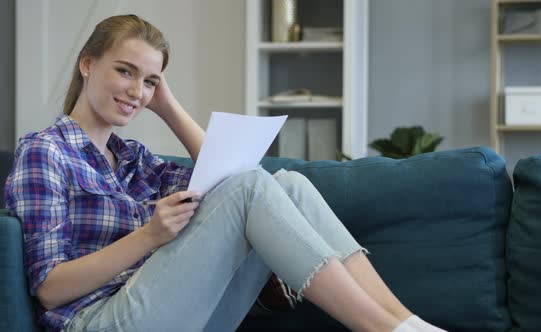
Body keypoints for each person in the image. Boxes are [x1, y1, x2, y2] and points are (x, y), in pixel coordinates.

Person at [4, 14, 447, 332]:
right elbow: (49, 289)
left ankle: (405, 322)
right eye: (125, 71)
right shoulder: (46, 152)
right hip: (98, 321)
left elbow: (232, 175)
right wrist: (149, 237)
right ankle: (380, 329)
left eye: (150, 81)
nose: (136, 92)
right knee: (255, 187)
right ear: (87, 64)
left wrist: (168, 108)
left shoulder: (133, 158)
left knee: (289, 185)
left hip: (169, 312)